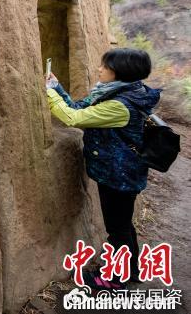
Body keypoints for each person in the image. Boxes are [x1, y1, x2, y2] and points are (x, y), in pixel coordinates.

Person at [45, 48, 161, 291]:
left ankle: (114, 279)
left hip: (119, 176)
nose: (99, 69)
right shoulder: (118, 92)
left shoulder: (120, 105)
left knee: (117, 228)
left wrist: (48, 94)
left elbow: (73, 118)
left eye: (105, 66)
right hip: (120, 171)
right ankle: (132, 269)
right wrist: (56, 87)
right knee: (124, 225)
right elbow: (79, 108)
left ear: (120, 72)